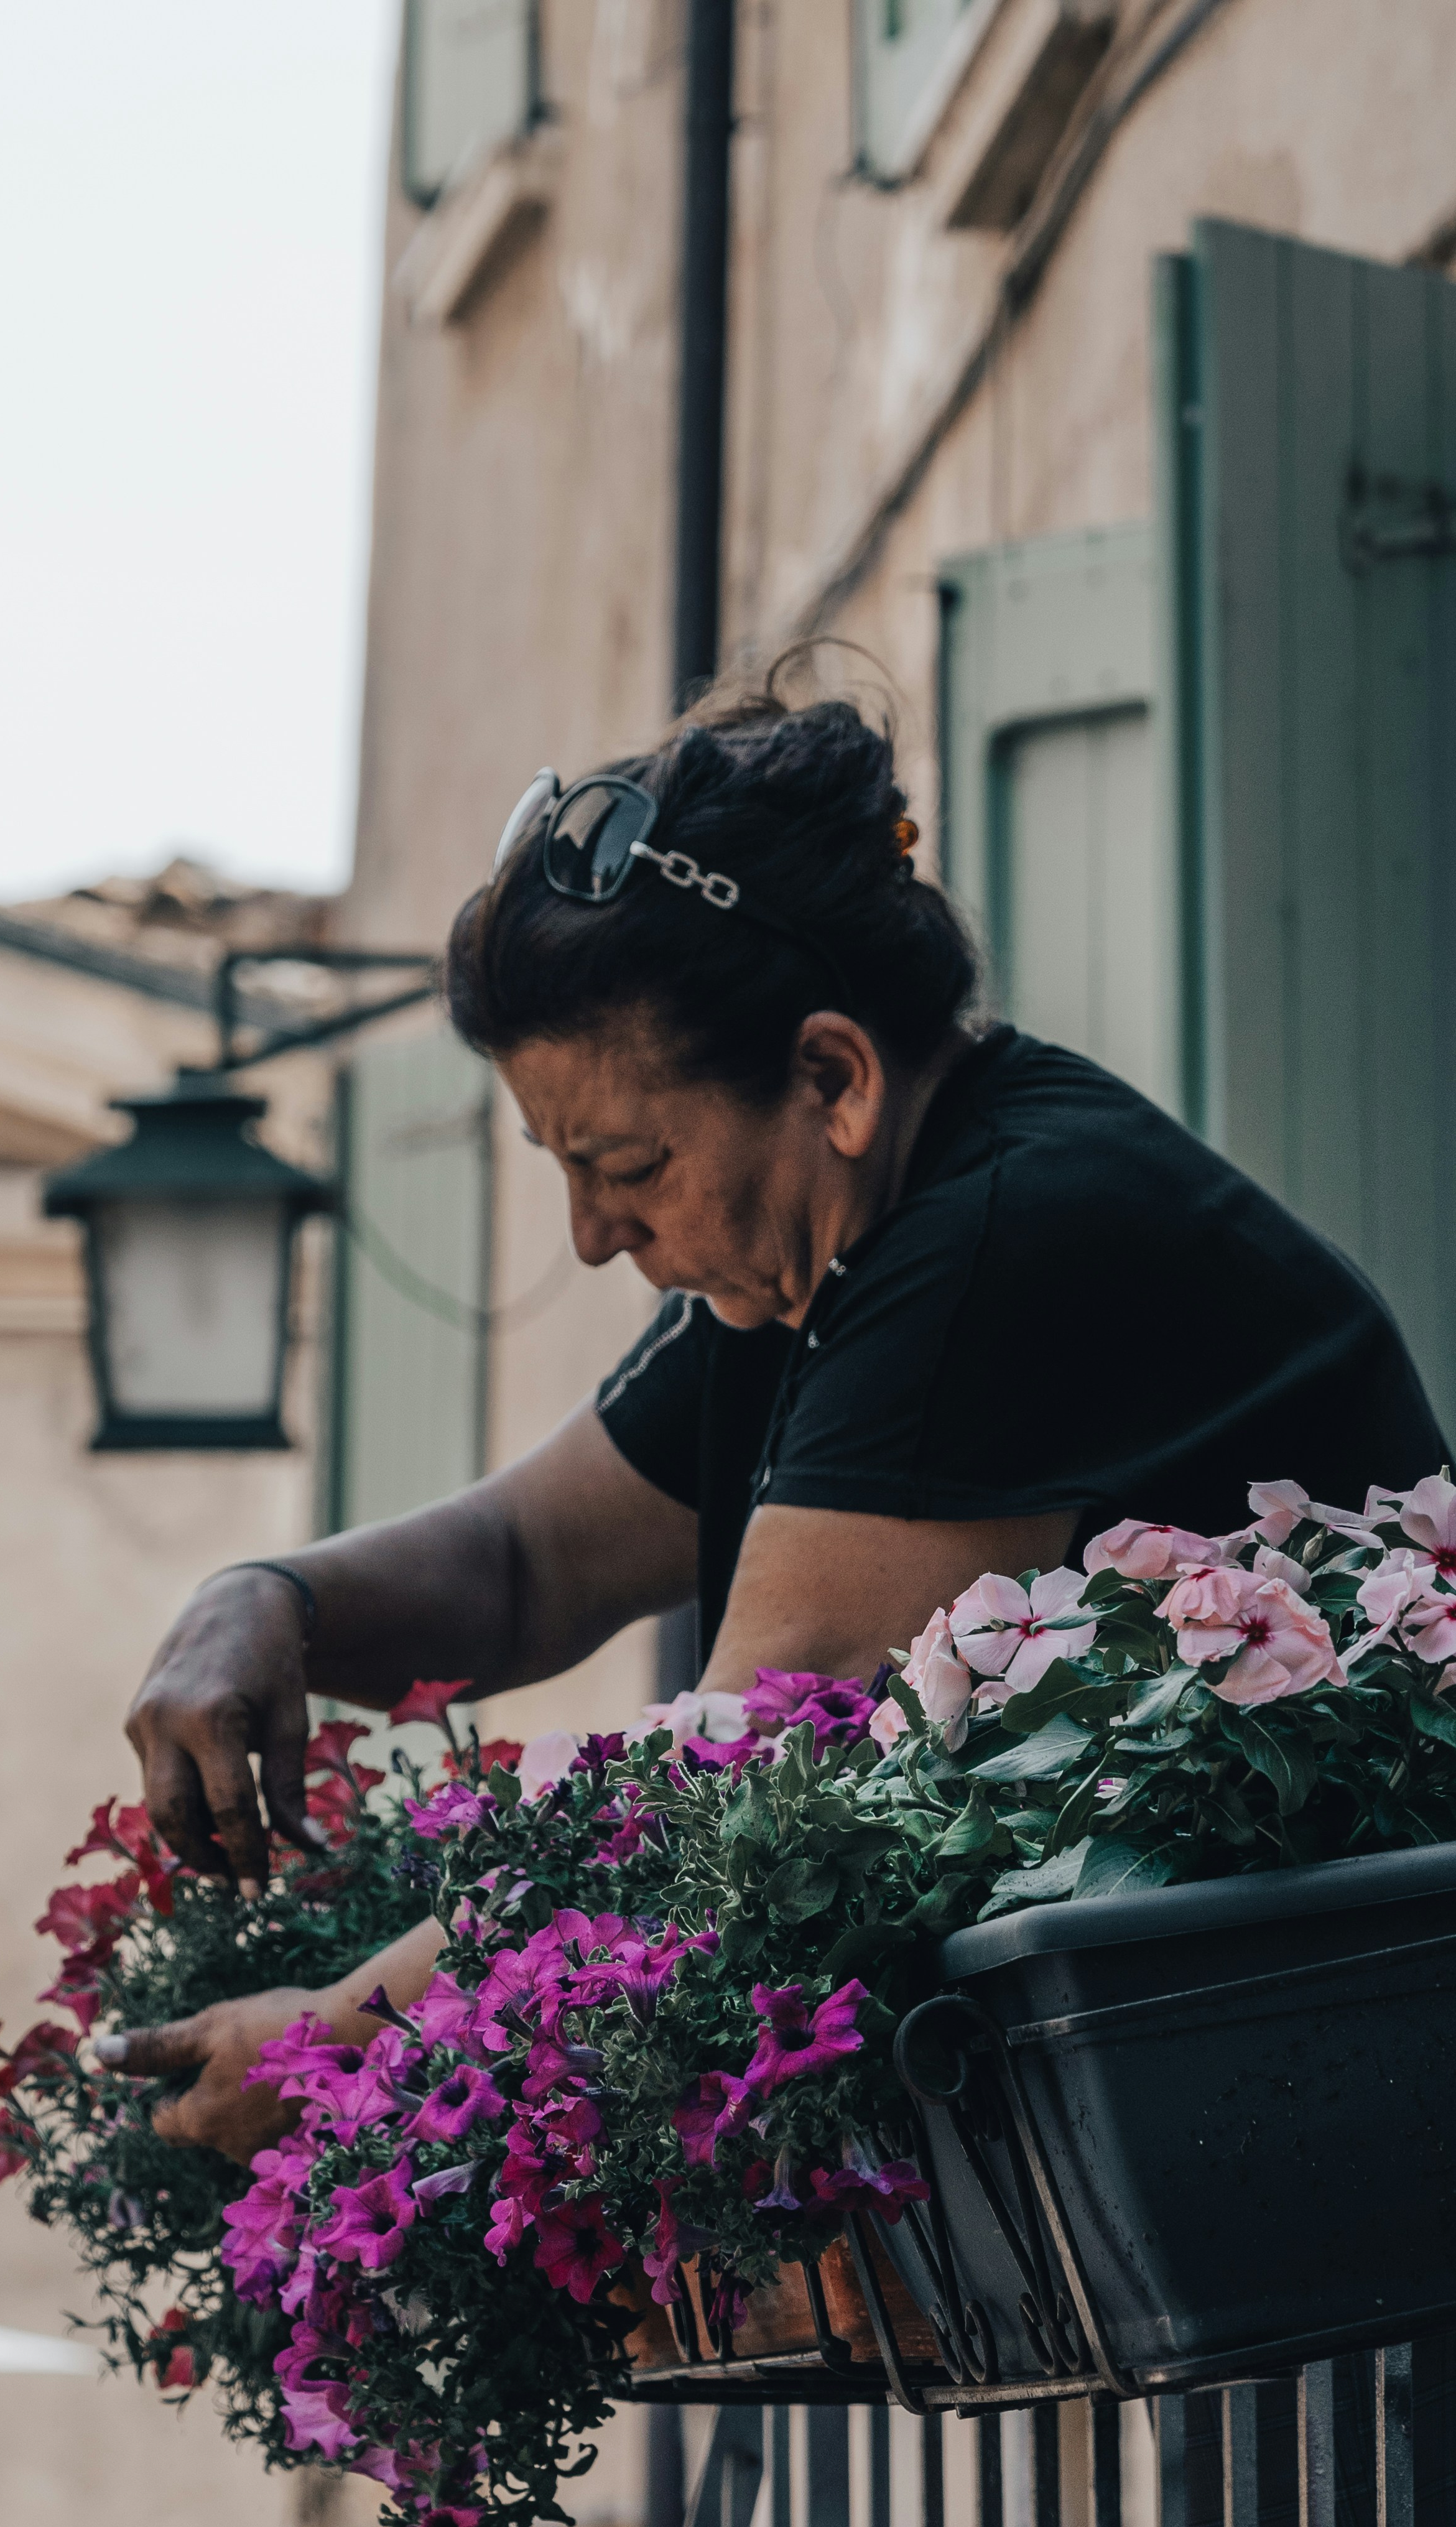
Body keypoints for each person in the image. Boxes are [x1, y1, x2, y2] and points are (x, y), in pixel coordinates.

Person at [101, 676, 1445, 2162]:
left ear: (831, 1079)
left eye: (627, 1165)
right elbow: (529, 1565)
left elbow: (725, 1784)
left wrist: (334, 2041)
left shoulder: (998, 1242)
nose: (595, 1235)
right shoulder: (815, 1252)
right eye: (563, 1167)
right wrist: (266, 1601)